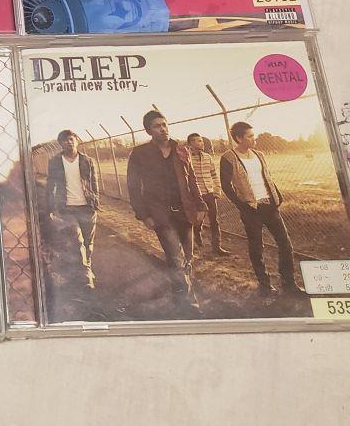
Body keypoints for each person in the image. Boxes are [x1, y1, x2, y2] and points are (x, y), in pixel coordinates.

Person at [126, 109, 206, 312]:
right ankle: (189, 305)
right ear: (148, 131)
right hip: (160, 215)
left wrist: (200, 205)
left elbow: (192, 179)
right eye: (157, 126)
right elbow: (133, 187)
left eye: (164, 124)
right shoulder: (140, 153)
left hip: (184, 212)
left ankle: (179, 296)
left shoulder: (181, 149)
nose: (162, 129)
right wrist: (143, 215)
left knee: (187, 258)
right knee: (176, 259)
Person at [220, 121, 305, 296]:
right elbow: (226, 186)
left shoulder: (259, 154)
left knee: (285, 244)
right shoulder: (228, 157)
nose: (254, 139)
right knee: (257, 248)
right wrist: (242, 206)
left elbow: (267, 176)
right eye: (250, 136)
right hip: (251, 209)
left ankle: (289, 283)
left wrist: (277, 196)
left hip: (270, 206)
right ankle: (265, 286)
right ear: (239, 138)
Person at [46, 129, 99, 290]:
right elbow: (51, 184)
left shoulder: (87, 160)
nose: (68, 142)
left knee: (88, 242)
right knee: (77, 241)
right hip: (67, 208)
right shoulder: (55, 161)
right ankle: (86, 276)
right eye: (64, 141)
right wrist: (50, 207)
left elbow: (94, 183)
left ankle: (87, 266)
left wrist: (95, 204)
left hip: (87, 207)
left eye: (71, 139)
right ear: (60, 144)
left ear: (76, 140)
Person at [187, 133, 229, 257]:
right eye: (199, 141)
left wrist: (217, 190)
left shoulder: (208, 157)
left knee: (214, 221)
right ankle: (196, 236)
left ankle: (217, 247)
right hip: (196, 195)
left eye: (202, 140)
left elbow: (214, 175)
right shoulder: (187, 158)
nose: (202, 143)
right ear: (191, 143)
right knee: (197, 219)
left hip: (210, 193)